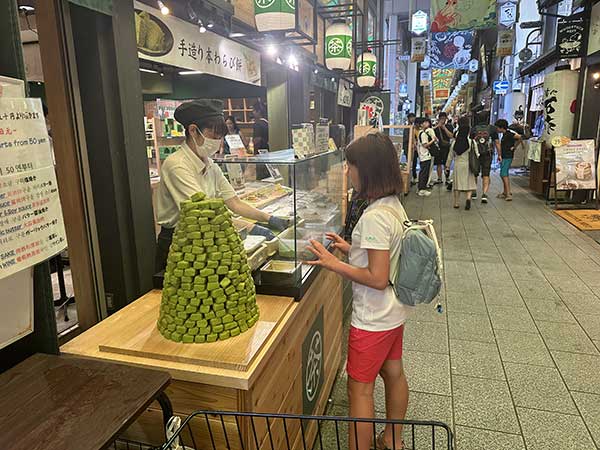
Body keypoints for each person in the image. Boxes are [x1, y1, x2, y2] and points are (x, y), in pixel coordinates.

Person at [306, 132, 410, 450]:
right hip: (394, 311)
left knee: (359, 390)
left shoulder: (375, 216)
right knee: (393, 373)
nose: (347, 172)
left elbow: (377, 277)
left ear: (367, 169)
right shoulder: (391, 205)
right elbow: (384, 258)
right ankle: (392, 440)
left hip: (373, 318)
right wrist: (350, 247)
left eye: (351, 165)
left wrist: (330, 262)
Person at [155, 99, 289, 271]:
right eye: (214, 136)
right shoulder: (177, 165)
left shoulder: (210, 164)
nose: (218, 141)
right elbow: (204, 215)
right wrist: (252, 228)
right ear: (193, 131)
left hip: (206, 238)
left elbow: (234, 203)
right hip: (179, 244)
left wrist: (269, 219)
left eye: (221, 137)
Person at [445, 117, 478, 210]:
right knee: (469, 183)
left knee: (457, 185)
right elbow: (477, 154)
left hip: (458, 165)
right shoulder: (471, 142)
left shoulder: (455, 143)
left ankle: (456, 203)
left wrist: (447, 166)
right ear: (468, 132)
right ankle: (468, 198)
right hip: (468, 165)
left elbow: (450, 155)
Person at [494, 119, 521, 201]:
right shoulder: (505, 134)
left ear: (501, 127)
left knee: (504, 174)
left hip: (508, 156)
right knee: (503, 174)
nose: (496, 129)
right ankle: (505, 192)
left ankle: (508, 193)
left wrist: (514, 147)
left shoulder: (509, 134)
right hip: (504, 156)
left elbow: (519, 137)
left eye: (497, 128)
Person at [417, 118, 438, 196]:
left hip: (423, 155)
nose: (427, 124)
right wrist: (433, 140)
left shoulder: (421, 132)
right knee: (424, 172)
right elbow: (425, 145)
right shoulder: (423, 134)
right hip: (425, 155)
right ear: (422, 124)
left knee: (424, 172)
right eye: (425, 122)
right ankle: (422, 189)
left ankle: (422, 187)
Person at [434, 112, 454, 184]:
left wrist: (444, 128)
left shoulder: (449, 126)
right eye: (441, 118)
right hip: (438, 148)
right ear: (439, 119)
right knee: (438, 163)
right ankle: (439, 178)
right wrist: (437, 126)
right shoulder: (435, 127)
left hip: (446, 147)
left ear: (446, 119)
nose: (443, 120)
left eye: (444, 118)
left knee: (446, 164)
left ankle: (447, 178)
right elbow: (431, 133)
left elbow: (451, 136)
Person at [403, 113, 418, 184]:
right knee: (409, 163)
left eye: (413, 117)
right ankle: (409, 178)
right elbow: (406, 138)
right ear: (408, 118)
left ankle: (414, 177)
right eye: (411, 117)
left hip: (414, 148)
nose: (413, 119)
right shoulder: (407, 128)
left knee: (414, 163)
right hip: (408, 148)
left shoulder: (414, 127)